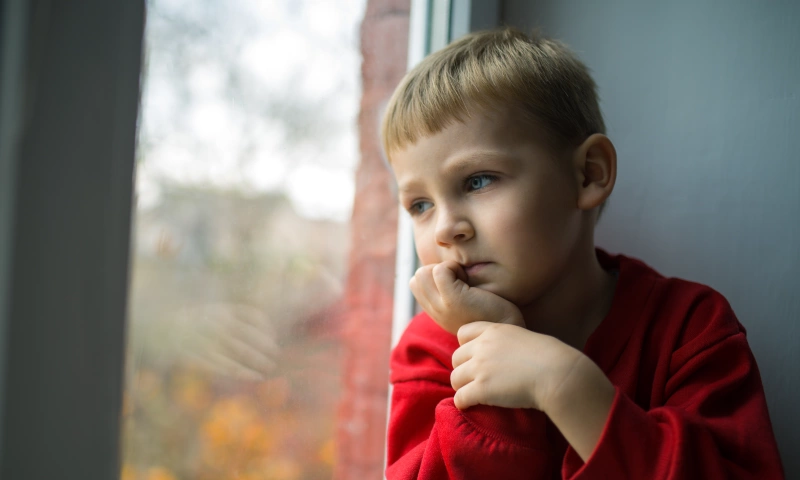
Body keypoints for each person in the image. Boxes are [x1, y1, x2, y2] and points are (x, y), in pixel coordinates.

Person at [381, 27, 784, 479]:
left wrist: (564, 385)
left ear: (589, 175)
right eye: (420, 205)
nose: (444, 228)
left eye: (478, 180)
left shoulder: (691, 327)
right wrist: (489, 351)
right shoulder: (429, 349)